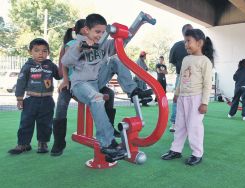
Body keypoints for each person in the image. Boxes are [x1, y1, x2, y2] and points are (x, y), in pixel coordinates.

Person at [61, 13, 153, 161]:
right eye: (97, 32)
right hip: (80, 85)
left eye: (103, 32)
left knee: (116, 59)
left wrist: (140, 22)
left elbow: (124, 39)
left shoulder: (104, 44)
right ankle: (107, 143)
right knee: (97, 98)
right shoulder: (77, 43)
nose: (100, 35)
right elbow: (65, 61)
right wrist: (80, 47)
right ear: (86, 30)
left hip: (96, 81)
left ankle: (133, 90)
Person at [51, 20, 119, 157]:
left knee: (109, 93)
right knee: (62, 102)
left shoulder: (97, 44)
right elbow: (64, 64)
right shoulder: (71, 44)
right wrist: (65, 79)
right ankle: (59, 141)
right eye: (87, 30)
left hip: (90, 82)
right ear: (82, 31)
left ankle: (109, 130)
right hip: (73, 82)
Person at [161, 29, 214, 166]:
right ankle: (176, 150)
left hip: (196, 98)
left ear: (199, 42)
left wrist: (204, 103)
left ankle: (197, 153)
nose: (186, 44)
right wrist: (177, 93)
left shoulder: (205, 61)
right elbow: (182, 78)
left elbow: (208, 84)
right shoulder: (185, 59)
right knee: (179, 125)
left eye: (188, 41)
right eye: (185, 41)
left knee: (194, 126)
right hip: (183, 97)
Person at [8, 38, 61, 155]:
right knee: (26, 122)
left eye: (44, 51)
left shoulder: (50, 65)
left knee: (45, 123)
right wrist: (19, 99)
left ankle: (43, 143)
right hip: (31, 100)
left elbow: (59, 76)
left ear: (48, 53)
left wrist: (64, 64)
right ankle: (23, 144)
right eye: (36, 50)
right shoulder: (27, 66)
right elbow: (21, 82)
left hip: (47, 100)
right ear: (30, 52)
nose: (40, 53)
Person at [169, 24, 193, 132]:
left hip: (184, 75)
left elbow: (173, 61)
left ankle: (175, 123)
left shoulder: (176, 45)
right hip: (188, 76)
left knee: (178, 100)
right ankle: (179, 123)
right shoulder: (195, 45)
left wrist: (180, 67)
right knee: (184, 100)